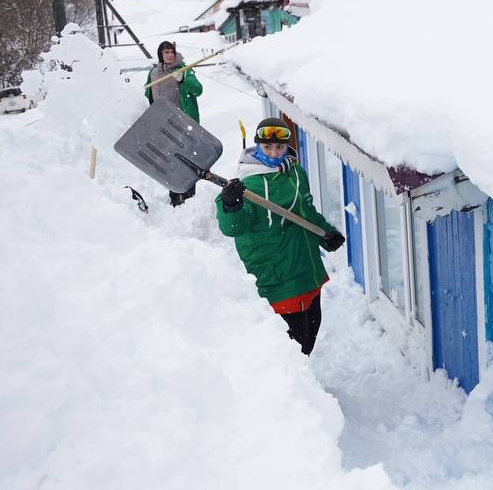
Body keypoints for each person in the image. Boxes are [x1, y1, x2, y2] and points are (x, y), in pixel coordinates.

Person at [216, 118, 345, 355]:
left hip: (307, 270)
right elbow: (234, 228)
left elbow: (305, 211)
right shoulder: (247, 185)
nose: (274, 153)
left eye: (279, 147)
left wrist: (326, 233)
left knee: (309, 337)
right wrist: (230, 205)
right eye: (267, 147)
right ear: (257, 147)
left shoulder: (294, 171)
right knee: (290, 350)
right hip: (277, 276)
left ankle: (304, 385)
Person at [145, 40, 204, 205]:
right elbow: (148, 95)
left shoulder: (184, 70)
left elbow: (198, 90)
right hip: (163, 124)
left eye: (171, 52)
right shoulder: (153, 73)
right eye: (166, 52)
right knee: (170, 160)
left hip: (184, 123)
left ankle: (189, 196)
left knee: (186, 160)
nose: (170, 55)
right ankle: (175, 196)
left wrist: (182, 81)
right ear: (160, 55)